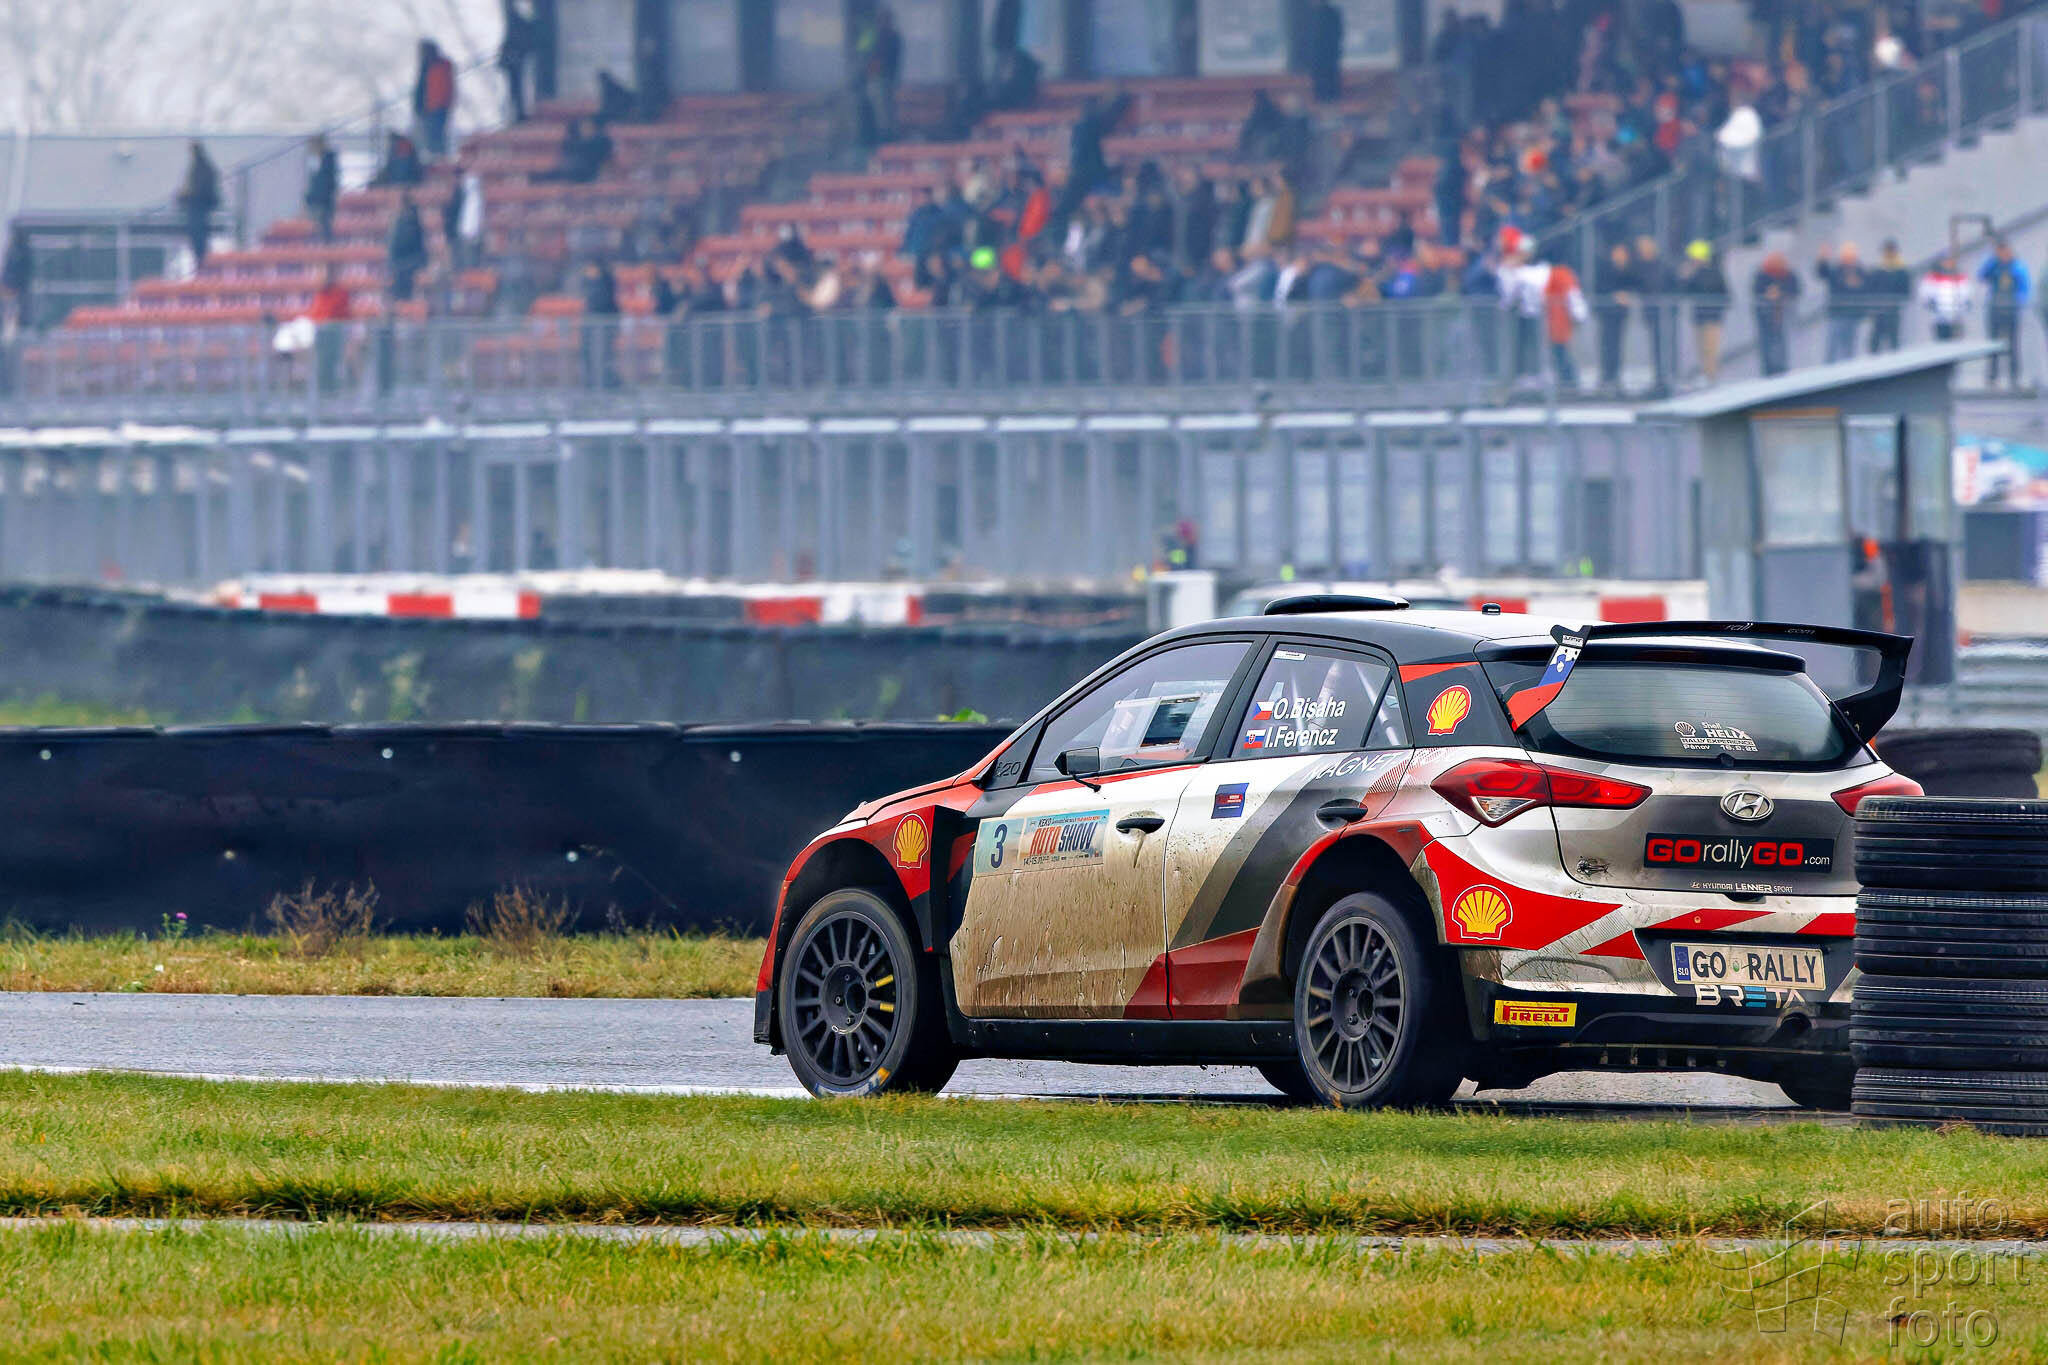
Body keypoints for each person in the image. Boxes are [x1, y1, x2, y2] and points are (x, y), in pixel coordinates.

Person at [1979, 238, 2031, 386]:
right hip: (1995, 308)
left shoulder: (2017, 267)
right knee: (1993, 343)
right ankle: (1992, 375)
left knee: (2013, 344)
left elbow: (2024, 287)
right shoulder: (1993, 266)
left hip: (2011, 309)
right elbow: (1981, 275)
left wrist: (2019, 302)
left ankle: (2014, 376)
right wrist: (1991, 259)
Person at [1677, 239, 1728, 386]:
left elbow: (1724, 294)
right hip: (1699, 317)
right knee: (1701, 349)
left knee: (1710, 349)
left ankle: (1711, 377)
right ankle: (1706, 375)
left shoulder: (1715, 273)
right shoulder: (1693, 274)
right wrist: (1684, 278)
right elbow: (1684, 292)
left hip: (1712, 318)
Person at [1815, 242, 1869, 363]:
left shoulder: (1860, 271)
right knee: (1832, 345)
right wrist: (1822, 259)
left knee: (1849, 347)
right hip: (1836, 314)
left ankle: (1848, 369)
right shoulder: (1836, 270)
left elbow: (1867, 288)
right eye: (1846, 257)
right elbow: (1822, 273)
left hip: (1853, 315)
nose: (1849, 260)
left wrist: (1857, 285)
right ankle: (1829, 369)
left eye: (1851, 257)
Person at [1593, 241, 1636, 392]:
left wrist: (1627, 295)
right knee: (1607, 345)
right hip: (1607, 314)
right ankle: (1606, 376)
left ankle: (1615, 376)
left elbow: (1633, 286)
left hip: (1620, 315)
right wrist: (1613, 296)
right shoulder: (1605, 269)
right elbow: (1599, 287)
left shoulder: (1628, 270)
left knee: (1618, 346)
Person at [1542, 251, 1588, 389]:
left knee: (1561, 353)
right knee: (1561, 352)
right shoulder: (1564, 273)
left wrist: (1577, 314)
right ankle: (1568, 381)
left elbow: (1570, 295)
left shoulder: (1558, 273)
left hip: (1559, 320)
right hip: (1559, 320)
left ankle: (1568, 382)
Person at [1632, 235, 1672, 392]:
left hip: (1664, 313)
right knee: (1656, 347)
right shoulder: (1639, 266)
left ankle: (1667, 378)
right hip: (1650, 312)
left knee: (1665, 346)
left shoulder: (1661, 265)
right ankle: (1659, 378)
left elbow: (1668, 284)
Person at [1752, 252, 1800, 376]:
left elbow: (1796, 289)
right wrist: (1768, 296)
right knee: (1767, 343)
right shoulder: (1762, 275)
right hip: (1765, 317)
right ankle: (1769, 369)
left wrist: (1782, 294)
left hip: (1781, 315)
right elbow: (1756, 292)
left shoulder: (1787, 274)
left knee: (1780, 342)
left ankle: (1781, 367)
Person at [176, 141, 220, 269]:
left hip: (199, 206)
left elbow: (199, 189)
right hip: (198, 206)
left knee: (198, 234)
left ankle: (201, 259)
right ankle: (200, 259)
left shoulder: (201, 168)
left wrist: (185, 196)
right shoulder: (201, 167)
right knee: (197, 234)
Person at [414, 40, 457, 159]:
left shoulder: (440, 67)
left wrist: (437, 104)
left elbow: (441, 88)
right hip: (428, 107)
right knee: (429, 136)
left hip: (436, 107)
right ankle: (435, 156)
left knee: (436, 135)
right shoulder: (427, 67)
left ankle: (439, 157)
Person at [579, 260, 619, 389]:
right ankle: (592, 381)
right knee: (589, 356)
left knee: (603, 356)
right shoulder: (590, 285)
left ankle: (605, 382)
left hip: (603, 326)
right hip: (591, 326)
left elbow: (603, 305)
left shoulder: (604, 285)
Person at [1868, 240, 1911, 352]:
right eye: (1887, 251)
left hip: (1894, 310)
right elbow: (1871, 289)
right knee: (1875, 339)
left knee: (1893, 339)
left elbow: (1906, 291)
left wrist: (1894, 299)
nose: (1889, 254)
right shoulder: (1877, 270)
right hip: (1879, 311)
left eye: (1891, 251)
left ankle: (1895, 359)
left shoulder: (1902, 271)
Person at [1919, 253, 1972, 341]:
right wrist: (1930, 303)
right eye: (1946, 261)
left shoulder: (1960, 276)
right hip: (1940, 317)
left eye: (1950, 261)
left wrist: (1964, 304)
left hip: (1956, 316)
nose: (1948, 263)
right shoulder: (1933, 277)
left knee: (1956, 341)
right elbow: (1925, 293)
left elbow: (1966, 293)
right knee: (1942, 341)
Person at [387, 190, 428, 302]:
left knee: (404, 293)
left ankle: (404, 299)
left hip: (406, 263)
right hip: (402, 262)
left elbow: (405, 243)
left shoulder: (409, 221)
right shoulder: (404, 220)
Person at [499, 0, 536, 122]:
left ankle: (518, 113)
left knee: (517, 88)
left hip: (517, 59)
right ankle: (516, 113)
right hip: (515, 60)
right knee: (515, 89)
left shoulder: (517, 22)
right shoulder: (517, 22)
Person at [304, 135, 339, 243]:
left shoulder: (329, 160)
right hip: (314, 199)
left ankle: (326, 245)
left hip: (324, 200)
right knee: (314, 226)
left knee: (324, 226)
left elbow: (328, 182)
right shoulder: (313, 161)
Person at [1307, 0, 1344, 103]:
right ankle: (1328, 99)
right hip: (1328, 54)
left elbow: (1314, 37)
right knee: (1328, 81)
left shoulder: (1315, 15)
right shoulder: (1331, 13)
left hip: (1323, 55)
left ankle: (1325, 100)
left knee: (1325, 81)